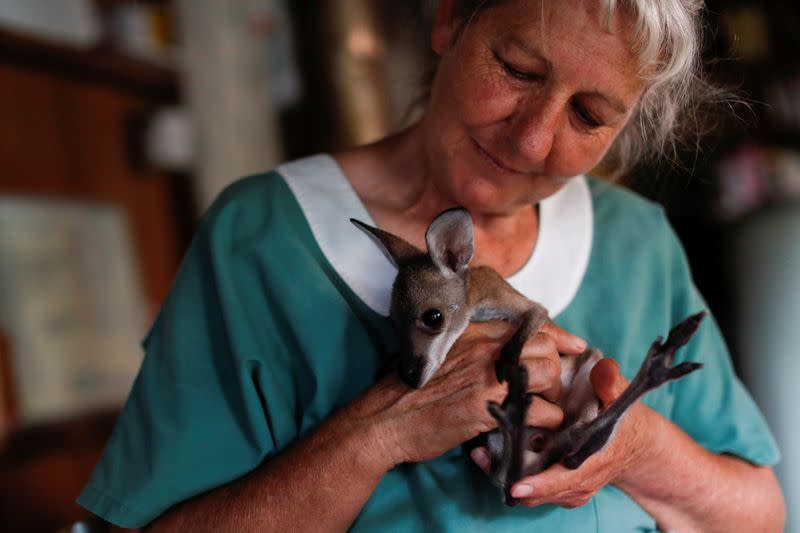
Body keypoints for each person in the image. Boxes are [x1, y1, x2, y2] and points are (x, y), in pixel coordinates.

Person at [78, 1, 786, 531]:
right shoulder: (262, 241)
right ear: (450, 17)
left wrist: (631, 448)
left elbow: (760, 515)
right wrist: (387, 428)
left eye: (590, 115)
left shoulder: (637, 243)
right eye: (517, 69)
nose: (534, 136)